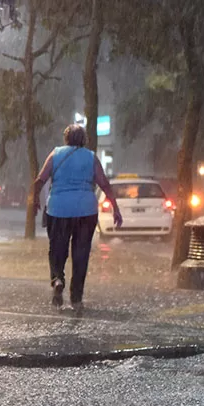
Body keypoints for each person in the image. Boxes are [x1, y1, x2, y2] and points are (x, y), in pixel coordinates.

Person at [30, 124, 121, 308]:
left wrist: (35, 201)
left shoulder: (56, 154)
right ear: (83, 139)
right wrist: (115, 207)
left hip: (59, 209)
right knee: (81, 254)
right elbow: (104, 183)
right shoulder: (90, 157)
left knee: (57, 248)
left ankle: (57, 279)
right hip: (85, 211)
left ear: (66, 138)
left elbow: (40, 180)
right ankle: (76, 298)